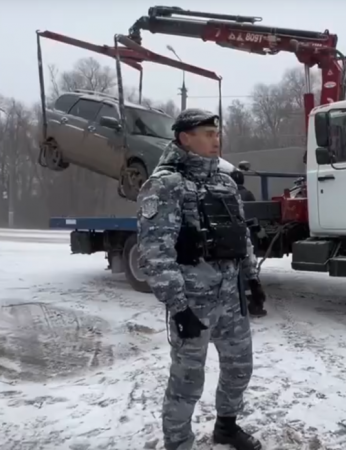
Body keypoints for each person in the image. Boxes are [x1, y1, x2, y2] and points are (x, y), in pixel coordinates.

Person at [137, 108, 266, 450]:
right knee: (187, 379)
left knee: (240, 366)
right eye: (208, 134)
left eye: (216, 133)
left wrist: (252, 279)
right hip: (192, 301)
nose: (216, 139)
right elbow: (155, 253)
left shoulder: (224, 183)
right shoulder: (165, 185)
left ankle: (226, 427)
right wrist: (178, 307)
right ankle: (178, 442)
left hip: (230, 297)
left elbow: (241, 236)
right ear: (185, 138)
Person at [229, 170, 267, 317]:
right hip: (247, 237)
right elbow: (253, 215)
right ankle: (255, 304)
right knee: (250, 270)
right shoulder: (247, 195)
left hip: (231, 239)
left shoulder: (226, 194)